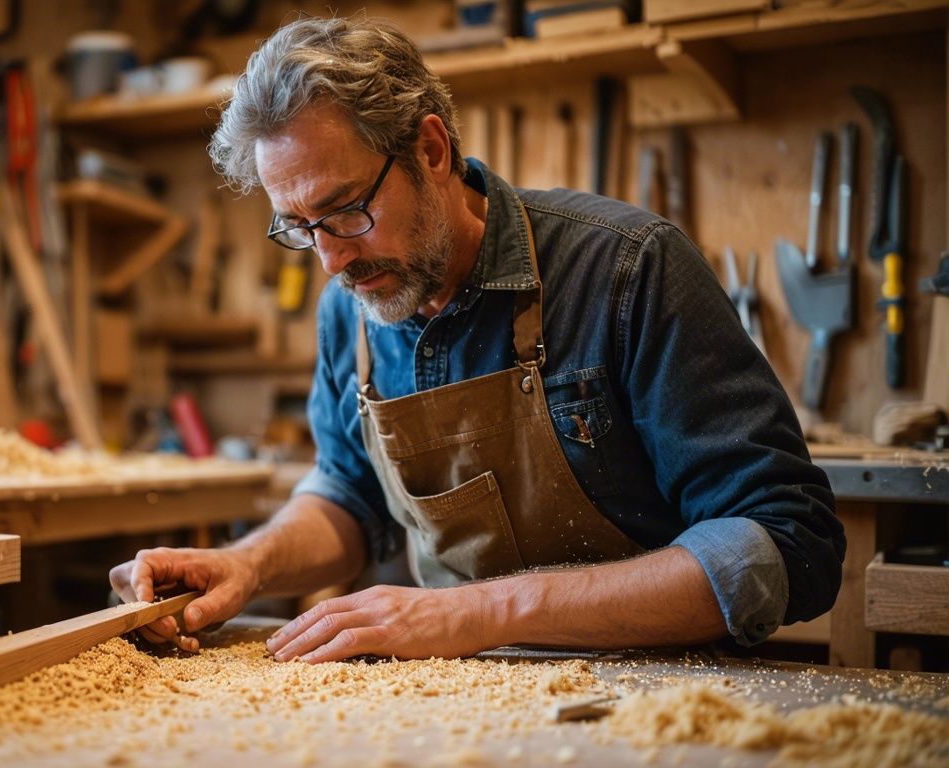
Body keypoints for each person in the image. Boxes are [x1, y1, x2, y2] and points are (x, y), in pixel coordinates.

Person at [110, 16, 844, 663]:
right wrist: (249, 564)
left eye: (345, 211)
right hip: (461, 705)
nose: (331, 259)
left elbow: (787, 543)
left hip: (665, 695)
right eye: (300, 229)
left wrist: (478, 610)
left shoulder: (626, 268)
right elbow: (350, 497)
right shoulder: (354, 302)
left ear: (431, 149)